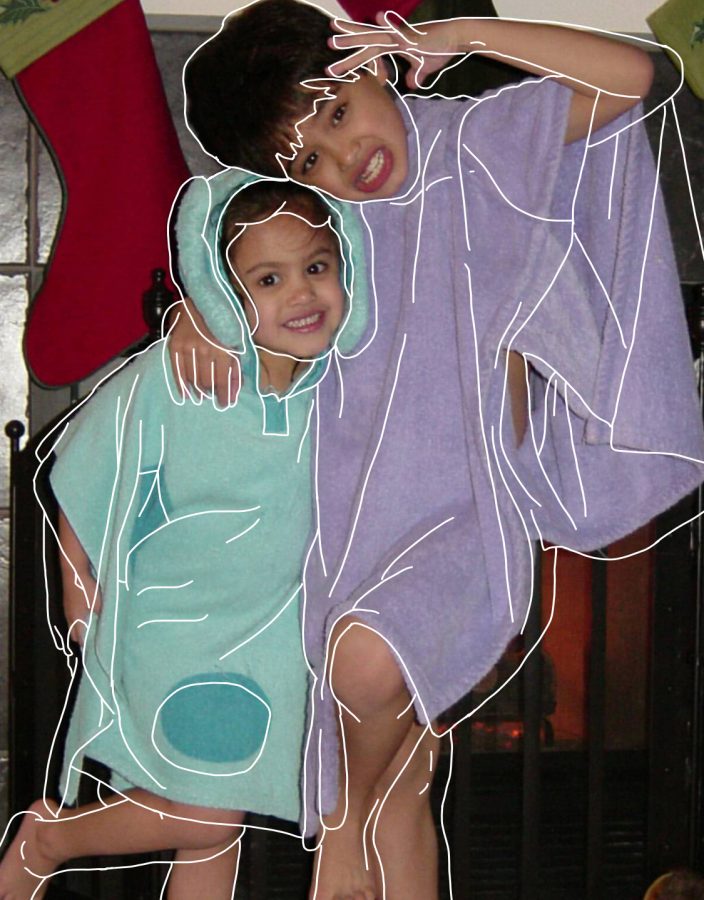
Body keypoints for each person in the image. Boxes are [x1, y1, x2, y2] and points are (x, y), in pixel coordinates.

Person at [177, 3, 704, 898]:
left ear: (372, 66)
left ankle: (335, 832)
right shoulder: (327, 221)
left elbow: (639, 79)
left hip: (468, 517)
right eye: (309, 159)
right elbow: (227, 236)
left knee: (362, 667)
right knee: (407, 787)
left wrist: (462, 36)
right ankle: (374, 840)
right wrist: (199, 312)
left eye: (339, 114)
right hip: (347, 514)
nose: (346, 160)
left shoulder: (479, 147)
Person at [0, 174, 368, 900]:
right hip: (174, 627)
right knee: (206, 814)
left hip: (269, 636)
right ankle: (49, 839)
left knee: (218, 831)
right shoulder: (180, 377)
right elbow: (80, 468)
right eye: (269, 278)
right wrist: (78, 586)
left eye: (316, 268)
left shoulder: (341, 384)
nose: (301, 293)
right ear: (225, 295)